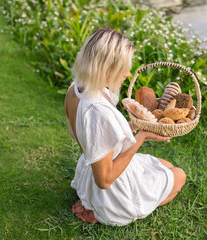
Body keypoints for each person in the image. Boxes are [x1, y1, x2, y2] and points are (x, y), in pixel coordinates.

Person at [64, 27, 186, 226]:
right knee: (179, 176)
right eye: (123, 67)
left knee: (166, 166)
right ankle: (105, 211)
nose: (128, 74)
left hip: (91, 168)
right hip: (111, 190)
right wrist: (143, 136)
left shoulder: (76, 88)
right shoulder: (97, 110)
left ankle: (91, 201)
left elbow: (96, 138)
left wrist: (133, 125)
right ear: (106, 68)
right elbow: (104, 180)